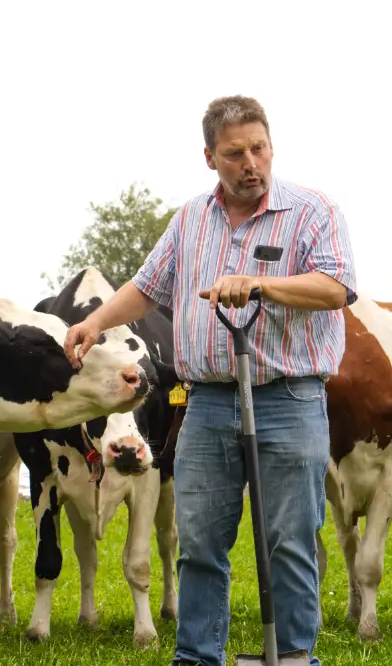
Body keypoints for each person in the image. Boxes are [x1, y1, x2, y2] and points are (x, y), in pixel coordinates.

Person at [63, 96, 356, 666]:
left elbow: (336, 288)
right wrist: (95, 322)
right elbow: (148, 286)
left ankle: (294, 656)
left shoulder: (312, 211)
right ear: (209, 158)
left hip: (290, 399)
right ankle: (197, 656)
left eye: (259, 148)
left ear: (271, 146)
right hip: (208, 404)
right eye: (234, 153)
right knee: (198, 542)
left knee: (291, 540)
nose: (251, 162)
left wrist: (261, 284)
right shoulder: (191, 218)